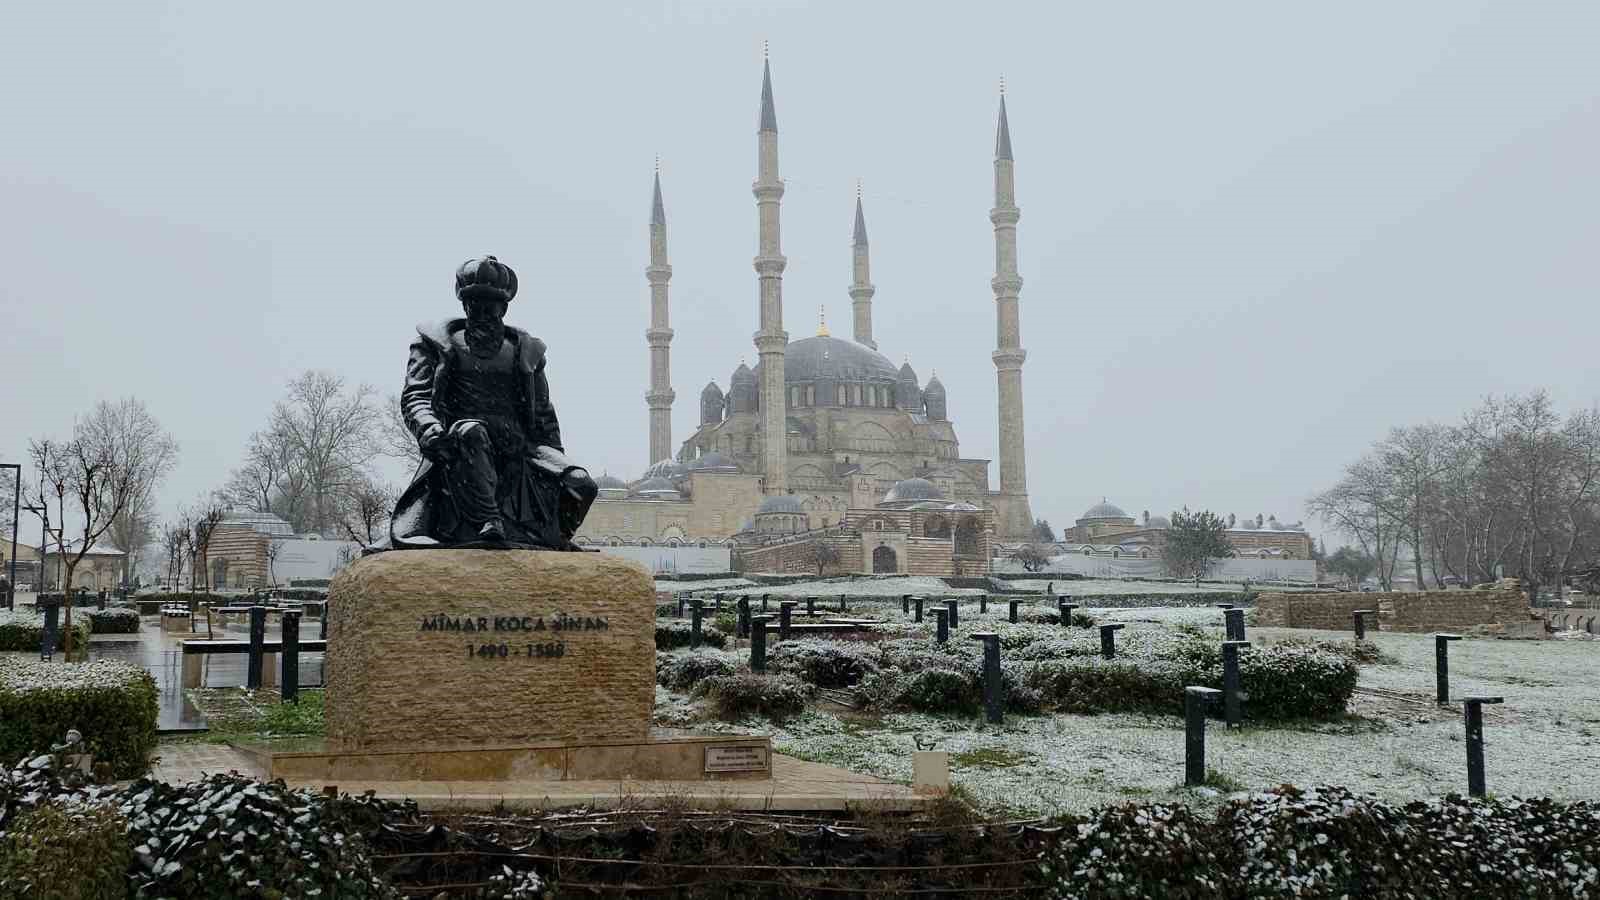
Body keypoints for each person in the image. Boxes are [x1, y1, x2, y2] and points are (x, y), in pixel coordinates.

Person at [388, 255, 596, 550]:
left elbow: (544, 413)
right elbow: (416, 396)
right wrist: (429, 427)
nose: (482, 310)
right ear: (464, 304)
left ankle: (554, 538)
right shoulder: (435, 344)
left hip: (520, 445)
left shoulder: (525, 352)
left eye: (491, 303)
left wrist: (556, 460)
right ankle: (489, 521)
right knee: (471, 431)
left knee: (581, 484)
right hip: (462, 440)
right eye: (474, 302)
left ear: (504, 307)